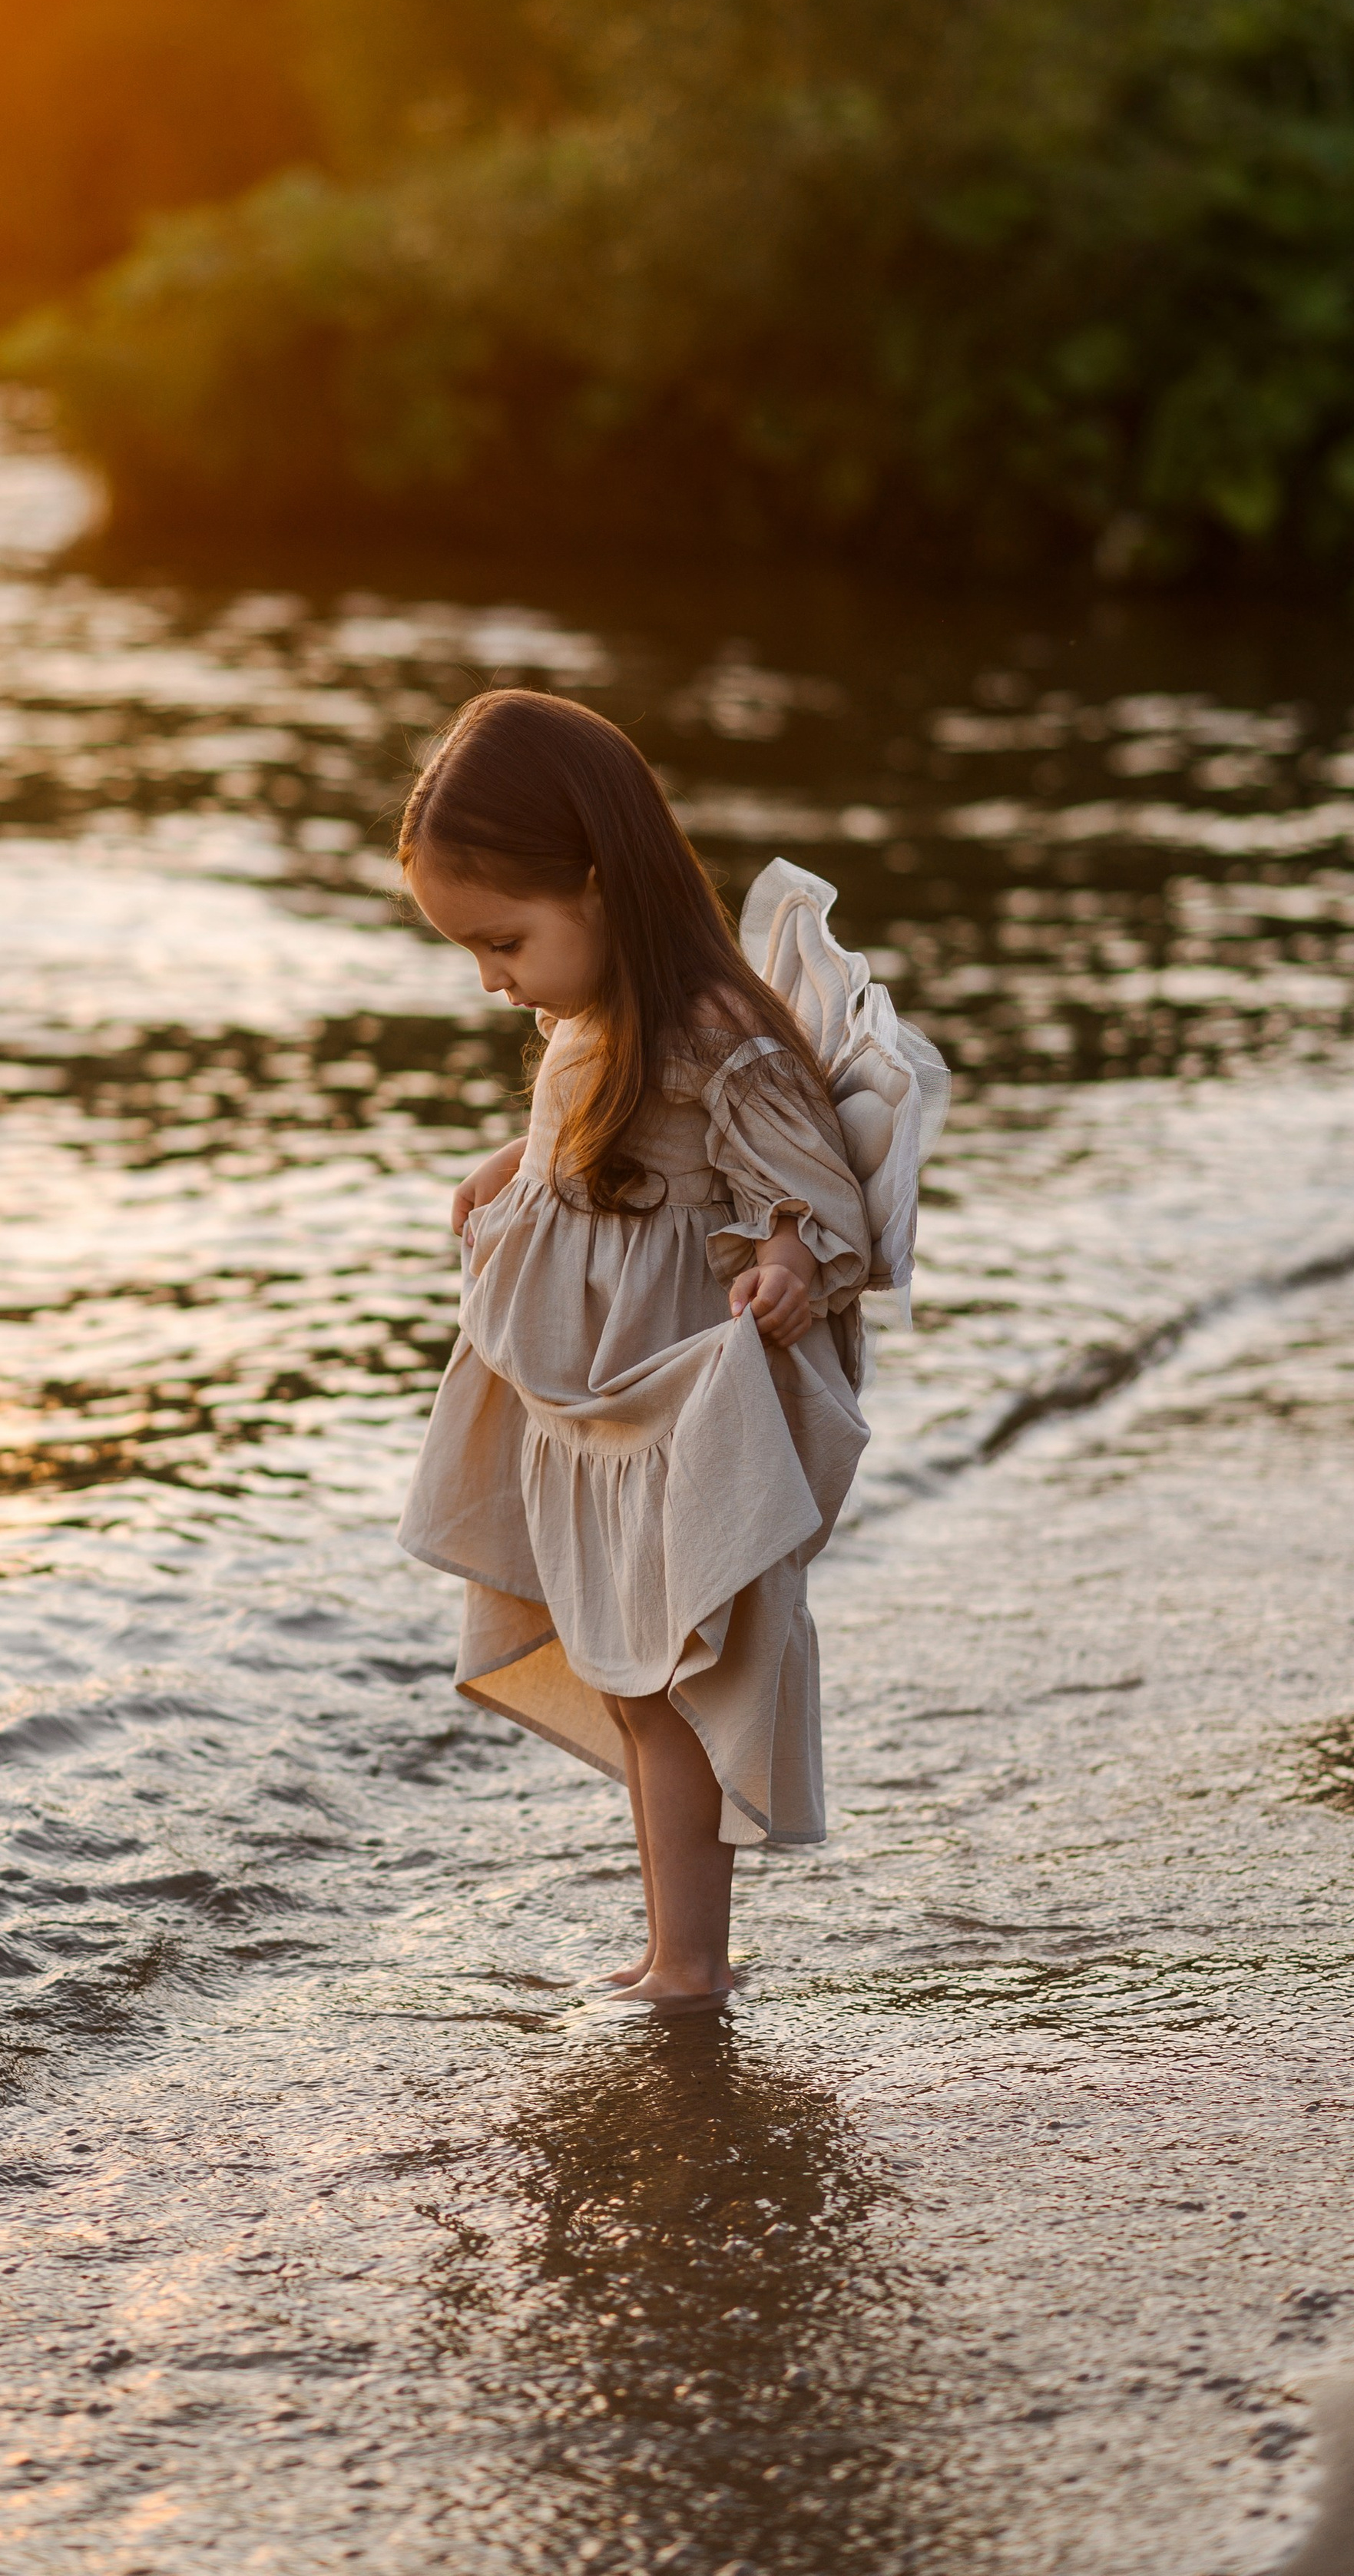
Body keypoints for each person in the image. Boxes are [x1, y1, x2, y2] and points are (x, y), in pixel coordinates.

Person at [396, 688, 889, 2009]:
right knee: (627, 1680)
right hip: (593, 1412)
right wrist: (518, 1162)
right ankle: (672, 1944)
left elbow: (810, 1187)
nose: (492, 979)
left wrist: (786, 1261)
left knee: (670, 1682)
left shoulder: (714, 1036)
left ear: (603, 885)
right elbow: (583, 1113)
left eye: (503, 942)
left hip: (670, 1410)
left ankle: (691, 1966)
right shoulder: (593, 1015)